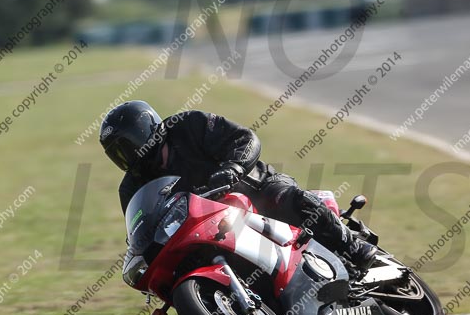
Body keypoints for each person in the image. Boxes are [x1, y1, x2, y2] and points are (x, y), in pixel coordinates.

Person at [99, 100, 377, 272]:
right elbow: (142, 228)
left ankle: (351, 245)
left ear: (148, 129)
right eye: (117, 152)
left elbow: (245, 139)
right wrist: (142, 252)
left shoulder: (188, 124)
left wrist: (231, 168)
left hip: (250, 187)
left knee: (283, 197)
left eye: (129, 144)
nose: (127, 155)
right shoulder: (130, 188)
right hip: (206, 227)